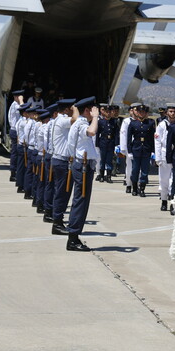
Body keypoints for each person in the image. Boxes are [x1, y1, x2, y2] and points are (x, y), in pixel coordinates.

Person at [65, 97, 99, 251]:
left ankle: (74, 235)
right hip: (83, 167)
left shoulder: (80, 123)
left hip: (84, 165)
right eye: (93, 110)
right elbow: (92, 132)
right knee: (80, 201)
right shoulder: (82, 123)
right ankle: (73, 238)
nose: (94, 113)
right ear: (87, 110)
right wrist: (96, 118)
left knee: (81, 201)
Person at [50, 98, 77, 235]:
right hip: (62, 161)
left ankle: (58, 221)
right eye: (70, 108)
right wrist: (76, 109)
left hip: (61, 160)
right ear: (66, 110)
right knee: (62, 193)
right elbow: (75, 119)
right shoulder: (62, 120)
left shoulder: (59, 120)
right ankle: (57, 223)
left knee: (62, 192)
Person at [127, 104, 156, 197]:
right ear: (137, 112)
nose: (141, 113)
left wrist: (153, 150)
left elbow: (152, 138)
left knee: (145, 171)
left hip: (146, 150)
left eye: (143, 112)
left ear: (146, 113)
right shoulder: (133, 123)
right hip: (136, 149)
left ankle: (142, 188)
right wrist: (129, 151)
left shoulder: (150, 123)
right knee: (135, 170)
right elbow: (128, 138)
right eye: (140, 112)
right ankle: (134, 188)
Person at [154, 103, 175, 209]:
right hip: (164, 154)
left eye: (174, 111)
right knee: (164, 179)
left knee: (174, 180)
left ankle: (173, 201)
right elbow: (158, 142)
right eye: (170, 111)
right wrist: (157, 157)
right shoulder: (162, 125)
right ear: (167, 112)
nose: (172, 114)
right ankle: (164, 200)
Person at [96, 104, 119, 183]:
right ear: (104, 112)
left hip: (111, 143)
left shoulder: (114, 121)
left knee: (109, 160)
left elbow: (116, 134)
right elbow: (97, 133)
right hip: (103, 142)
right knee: (102, 160)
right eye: (107, 111)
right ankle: (102, 176)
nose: (108, 113)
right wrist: (97, 144)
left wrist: (116, 144)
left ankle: (108, 176)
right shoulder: (101, 122)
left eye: (110, 112)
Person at [120, 103, 138, 193]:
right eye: (133, 110)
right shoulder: (127, 121)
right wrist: (123, 148)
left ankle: (136, 184)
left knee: (138, 168)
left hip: (139, 147)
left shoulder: (142, 121)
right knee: (129, 167)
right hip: (129, 147)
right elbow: (123, 135)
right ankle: (128, 184)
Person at [8, 90, 24, 179]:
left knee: (16, 152)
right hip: (15, 131)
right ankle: (13, 172)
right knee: (15, 152)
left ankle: (15, 171)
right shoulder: (15, 105)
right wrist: (21, 101)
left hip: (15, 130)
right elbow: (23, 111)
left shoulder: (14, 105)